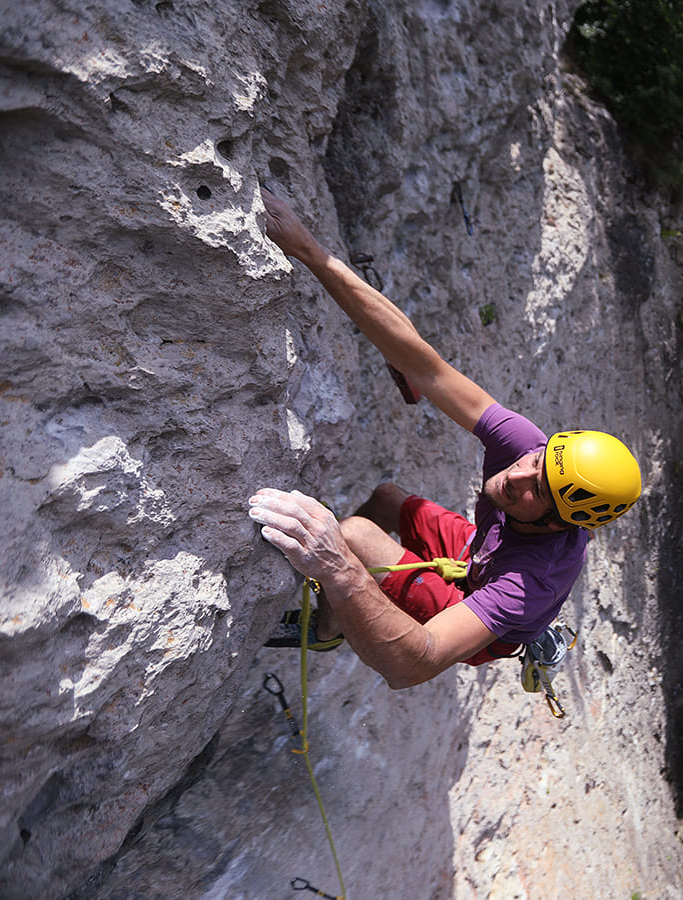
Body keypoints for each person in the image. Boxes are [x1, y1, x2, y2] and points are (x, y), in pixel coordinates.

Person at [248, 188, 641, 689]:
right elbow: (423, 364)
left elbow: (416, 661)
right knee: (388, 501)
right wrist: (308, 248)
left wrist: (339, 570)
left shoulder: (529, 581)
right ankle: (347, 603)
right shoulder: (524, 452)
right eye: (536, 460)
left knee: (353, 536)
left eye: (537, 490)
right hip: (480, 552)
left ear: (556, 522)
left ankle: (326, 628)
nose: (516, 473)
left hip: (482, 603)